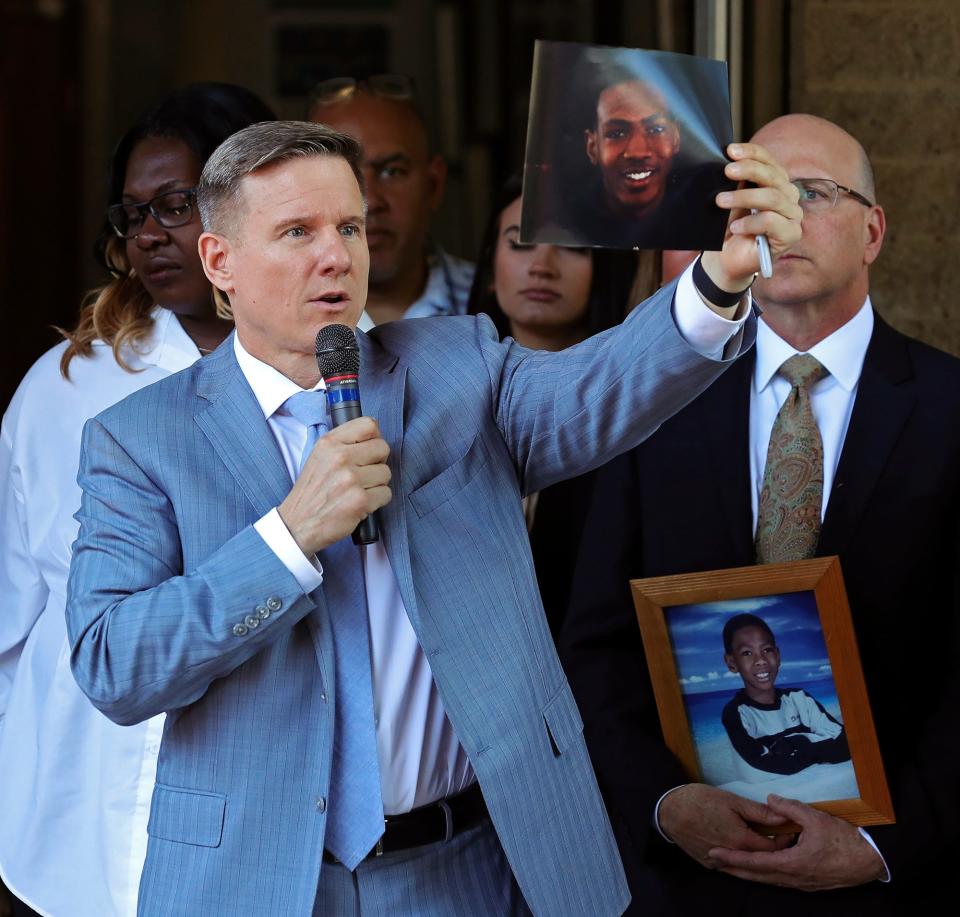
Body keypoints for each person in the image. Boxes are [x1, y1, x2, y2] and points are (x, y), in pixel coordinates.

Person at [64, 119, 799, 916]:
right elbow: (113, 664)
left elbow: (599, 388)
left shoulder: (459, 365)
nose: (336, 254)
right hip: (253, 878)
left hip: (460, 868)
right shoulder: (141, 440)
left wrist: (719, 281)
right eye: (297, 232)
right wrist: (287, 537)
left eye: (348, 225)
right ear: (221, 261)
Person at [561, 113, 960, 914]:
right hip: (692, 881)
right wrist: (667, 804)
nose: (777, 216)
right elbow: (596, 644)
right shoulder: (659, 401)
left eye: (808, 192)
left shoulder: (952, 409)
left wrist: (887, 842)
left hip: (900, 875)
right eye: (753, 196)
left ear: (874, 230)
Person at [0, 83, 274, 917]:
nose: (151, 232)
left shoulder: (336, 372)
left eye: (176, 204)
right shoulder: (67, 387)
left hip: (256, 828)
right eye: (133, 215)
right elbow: (15, 618)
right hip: (71, 838)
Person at [467, 175, 639, 635]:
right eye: (520, 243)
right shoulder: (442, 400)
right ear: (489, 265)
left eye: (571, 246)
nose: (542, 265)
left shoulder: (636, 409)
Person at [308, 75, 474, 324]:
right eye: (342, 174)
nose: (370, 201)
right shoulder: (267, 313)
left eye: (392, 172)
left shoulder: (500, 308)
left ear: (434, 185)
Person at [720, 613, 849, 778]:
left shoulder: (799, 698)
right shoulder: (737, 713)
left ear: (778, 655)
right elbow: (760, 771)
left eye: (767, 650)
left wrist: (797, 742)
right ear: (731, 663)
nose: (761, 660)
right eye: (747, 653)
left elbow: (845, 744)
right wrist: (818, 744)